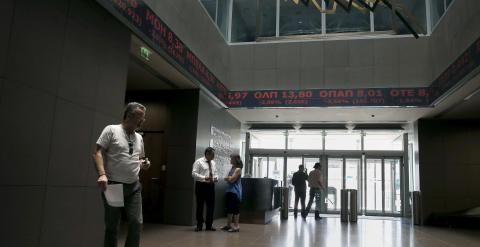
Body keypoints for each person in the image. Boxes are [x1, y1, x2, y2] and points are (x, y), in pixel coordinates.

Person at [93, 102, 151, 247]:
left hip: (134, 186)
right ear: (129, 116)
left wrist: (144, 164)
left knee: (136, 223)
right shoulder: (111, 130)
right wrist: (102, 174)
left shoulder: (139, 137)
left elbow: (140, 158)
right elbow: (97, 152)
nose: (142, 121)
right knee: (112, 227)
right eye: (140, 118)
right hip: (114, 185)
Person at [192, 147, 218, 231]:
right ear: (207, 154)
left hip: (211, 186)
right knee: (200, 206)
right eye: (212, 154)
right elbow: (194, 174)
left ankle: (209, 225)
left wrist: (216, 177)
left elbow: (216, 173)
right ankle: (199, 225)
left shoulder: (213, 163)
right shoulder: (198, 162)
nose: (214, 156)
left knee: (211, 206)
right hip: (201, 185)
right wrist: (204, 177)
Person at [221, 154, 243, 232]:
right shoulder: (232, 168)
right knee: (229, 209)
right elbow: (225, 177)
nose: (230, 160)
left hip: (235, 192)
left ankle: (236, 226)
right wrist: (229, 178)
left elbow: (231, 180)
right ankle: (228, 225)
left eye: (231, 158)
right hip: (229, 191)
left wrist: (229, 178)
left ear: (235, 160)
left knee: (235, 209)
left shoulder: (238, 169)